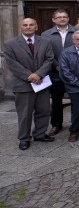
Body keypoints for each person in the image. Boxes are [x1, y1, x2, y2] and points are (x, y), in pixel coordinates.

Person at [4, 18, 55, 150]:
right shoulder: (10, 44)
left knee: (43, 110)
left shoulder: (45, 41)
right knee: (24, 113)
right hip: (23, 84)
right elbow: (12, 64)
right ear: (20, 27)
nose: (28, 27)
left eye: (31, 25)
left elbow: (49, 59)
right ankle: (24, 138)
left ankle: (40, 133)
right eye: (25, 25)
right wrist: (30, 76)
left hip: (42, 82)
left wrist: (39, 74)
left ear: (36, 27)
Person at [41, 9, 79, 136]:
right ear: (54, 20)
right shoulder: (46, 34)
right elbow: (46, 54)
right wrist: (58, 66)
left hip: (74, 72)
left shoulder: (77, 31)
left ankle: (76, 124)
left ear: (68, 18)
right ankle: (56, 125)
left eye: (64, 17)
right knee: (57, 101)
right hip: (55, 72)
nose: (62, 19)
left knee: (76, 100)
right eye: (59, 17)